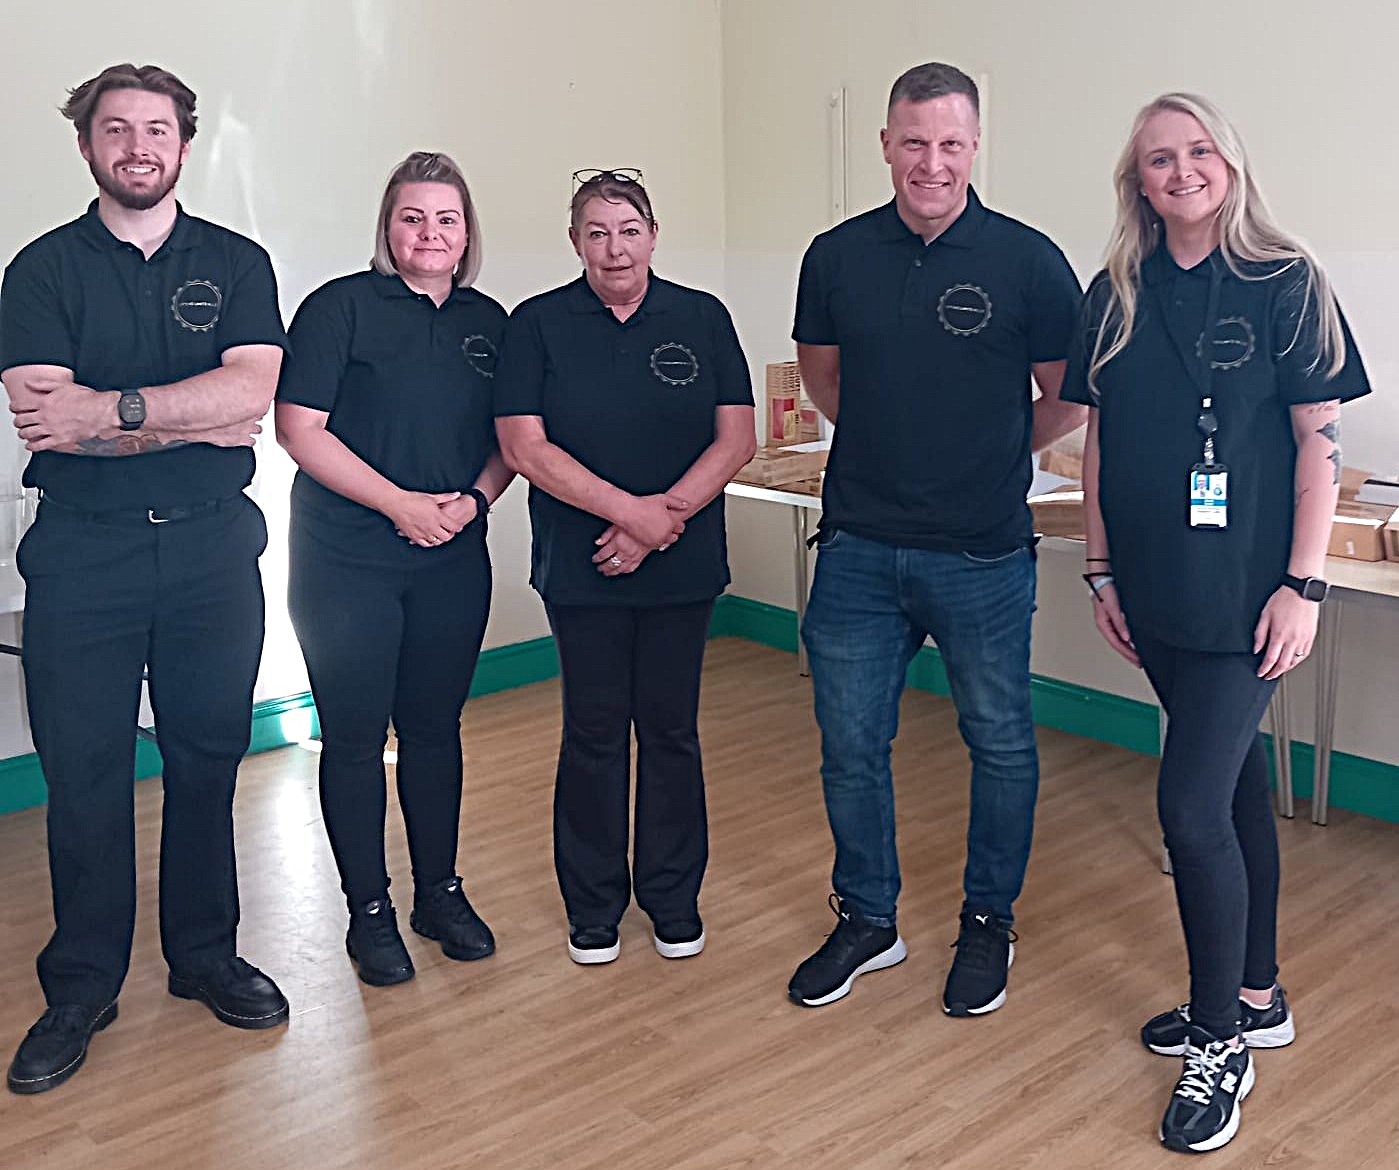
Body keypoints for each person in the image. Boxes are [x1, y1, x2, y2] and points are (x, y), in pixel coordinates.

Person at [1061, 93, 1369, 1153]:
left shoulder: (1286, 281)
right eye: (1158, 158)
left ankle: (1218, 1039)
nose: (1181, 171)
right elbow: (1098, 443)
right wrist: (1100, 568)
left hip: (1249, 599)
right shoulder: (1115, 292)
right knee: (1232, 793)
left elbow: (1318, 441)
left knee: (1187, 810)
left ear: (1228, 166)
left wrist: (1304, 586)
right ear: (1136, 181)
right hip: (1154, 590)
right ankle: (1256, 994)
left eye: (1198, 152)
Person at [1, 64, 289, 1095]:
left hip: (212, 552)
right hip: (83, 556)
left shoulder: (238, 262)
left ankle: (204, 955)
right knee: (84, 774)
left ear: (183, 145)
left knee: (209, 758)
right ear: (86, 145)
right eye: (115, 128)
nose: (137, 146)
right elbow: (47, 420)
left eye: (156, 129)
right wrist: (189, 415)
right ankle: (82, 984)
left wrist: (111, 410)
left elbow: (252, 396)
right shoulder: (40, 270)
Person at [787, 62, 1085, 1015]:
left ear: (975, 146)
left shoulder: (1028, 261)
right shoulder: (835, 257)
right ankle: (868, 919)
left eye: (950, 143)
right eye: (913, 142)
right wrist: (896, 443)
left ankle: (987, 921)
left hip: (982, 553)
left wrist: (987, 450)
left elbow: (1065, 398)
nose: (931, 162)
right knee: (849, 744)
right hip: (859, 548)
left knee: (998, 744)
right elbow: (824, 380)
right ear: (884, 144)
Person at [495, 170, 755, 965]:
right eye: (597, 232)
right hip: (582, 568)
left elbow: (736, 438)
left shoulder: (701, 317)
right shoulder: (536, 325)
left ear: (653, 235)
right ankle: (594, 907)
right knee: (594, 731)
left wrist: (657, 521)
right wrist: (628, 514)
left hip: (681, 564)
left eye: (629, 230)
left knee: (671, 730)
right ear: (575, 241)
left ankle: (672, 899)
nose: (614, 248)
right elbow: (523, 447)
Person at [275, 152, 511, 986]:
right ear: (387, 227)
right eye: (412, 217)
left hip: (451, 556)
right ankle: (367, 911)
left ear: (466, 233)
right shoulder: (338, 308)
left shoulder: (490, 323)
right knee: (353, 738)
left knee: (435, 730)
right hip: (346, 559)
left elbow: (510, 441)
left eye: (446, 219)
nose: (429, 233)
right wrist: (399, 505)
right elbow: (299, 429)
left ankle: (438, 894)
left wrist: (472, 503)